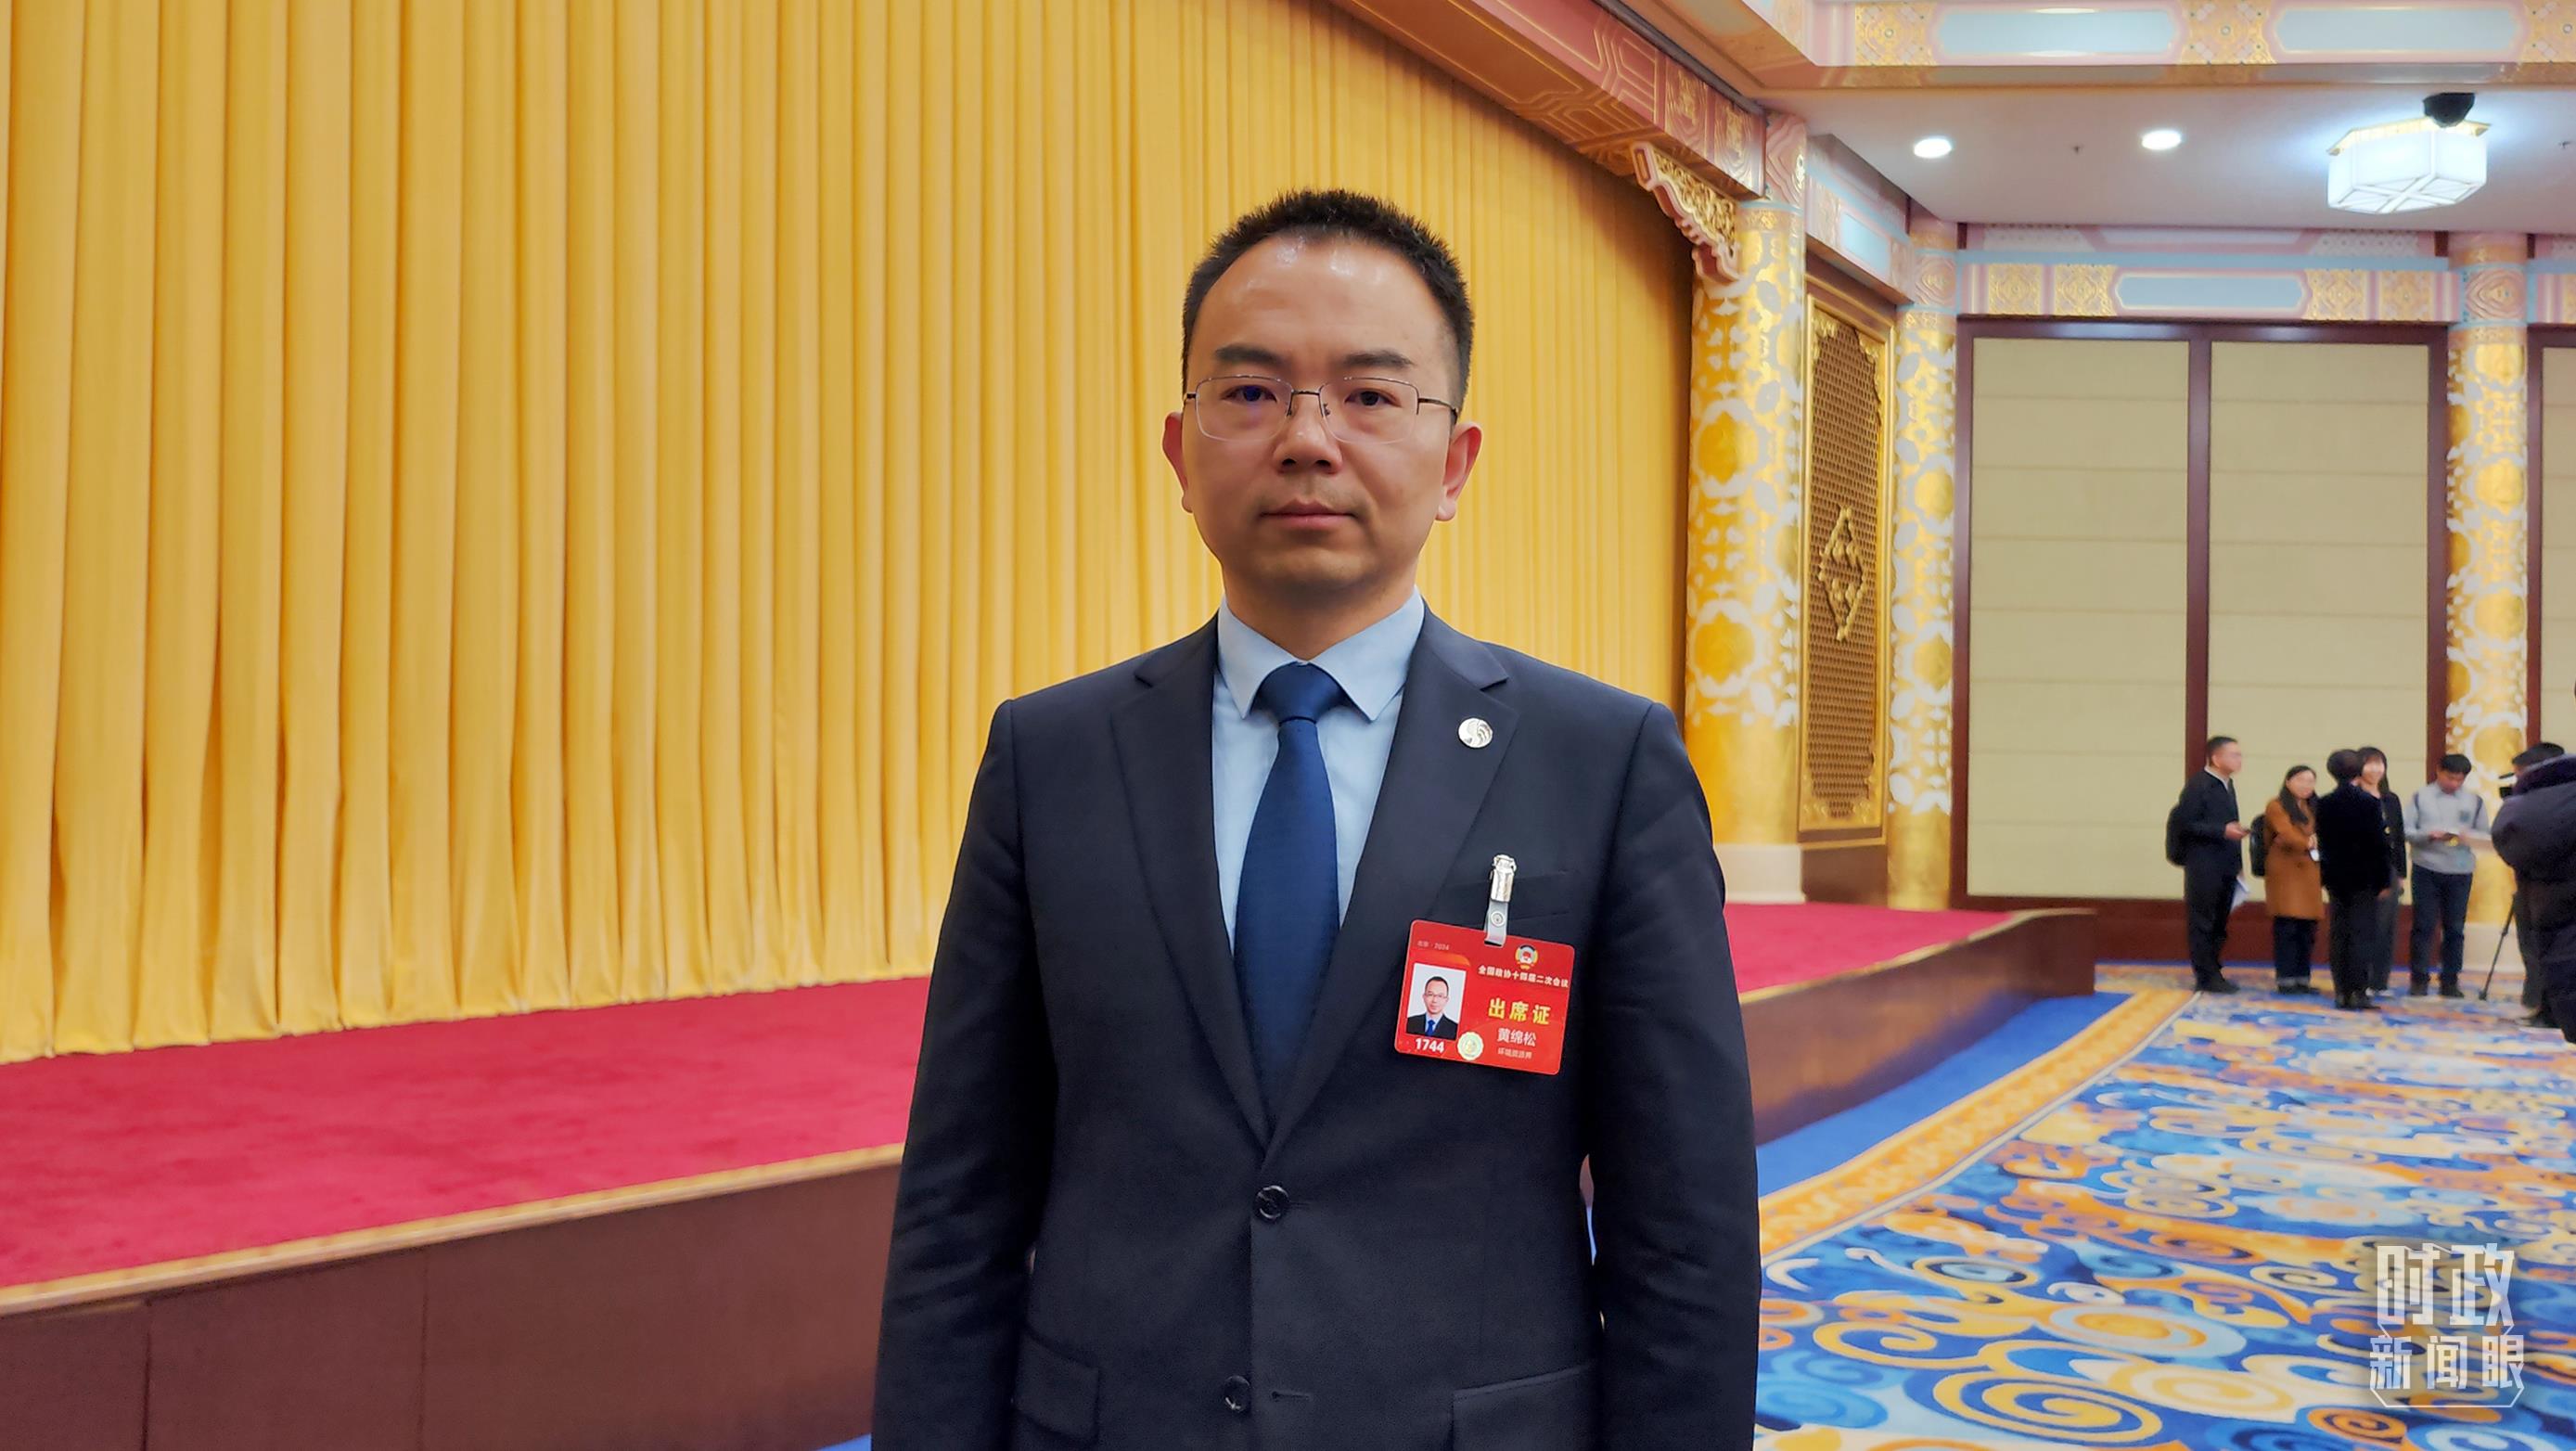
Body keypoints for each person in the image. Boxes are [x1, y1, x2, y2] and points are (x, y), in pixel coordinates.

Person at [874, 191, 1759, 1449]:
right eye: (1249, 393)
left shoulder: (1601, 765)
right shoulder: (1052, 756)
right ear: (1178, 453)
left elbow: (1686, 1233)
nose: (1305, 438)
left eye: (1369, 394)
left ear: (1454, 463)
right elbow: (958, 1204)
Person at [2496, 718, 2574, 1042]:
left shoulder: (2538, 803)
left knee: (2550, 956)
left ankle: (2549, 1011)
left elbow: (2510, 839)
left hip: (2550, 900)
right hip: (2549, 897)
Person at [2403, 752, 2491, 998]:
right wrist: (2428, 835)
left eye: (2459, 779)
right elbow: (2406, 830)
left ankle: (2450, 981)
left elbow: (2485, 835)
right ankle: (2419, 979)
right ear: (2439, 771)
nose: (2454, 783)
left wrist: (2467, 837)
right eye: (2450, 777)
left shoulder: (2475, 801)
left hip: (2461, 869)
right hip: (2426, 866)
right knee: (2423, 925)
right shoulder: (2421, 796)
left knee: (2455, 928)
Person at [2171, 737, 2249, 994]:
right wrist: (2221, 831)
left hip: (2225, 863)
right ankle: (2205, 976)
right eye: (2234, 754)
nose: (2239, 759)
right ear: (2216, 758)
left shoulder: (2228, 785)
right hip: (2204, 864)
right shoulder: (2199, 785)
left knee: (2219, 922)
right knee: (2203, 921)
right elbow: (2186, 824)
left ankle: (2214, 970)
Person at [2315, 750, 2391, 1011]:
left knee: (2339, 933)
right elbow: (2378, 845)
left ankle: (2341, 992)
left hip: (2336, 877)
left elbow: (2324, 843)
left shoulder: (2324, 803)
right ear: (2359, 770)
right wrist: (2384, 880)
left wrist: (2325, 875)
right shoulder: (2368, 803)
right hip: (2364, 878)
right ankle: (2358, 991)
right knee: (2361, 934)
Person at [2508, 741, 2564, 1028]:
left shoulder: (2553, 803)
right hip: (2532, 884)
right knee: (2533, 948)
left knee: (2551, 951)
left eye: (2522, 775)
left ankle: (2550, 1011)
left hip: (2553, 888)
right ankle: (2540, 1005)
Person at [2262, 765, 2323, 995]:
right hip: (2285, 872)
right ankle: (2286, 979)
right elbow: (2286, 834)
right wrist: (2308, 842)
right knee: (2287, 926)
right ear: (2288, 782)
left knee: (2307, 929)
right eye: (2300, 780)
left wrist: (2312, 841)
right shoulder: (2276, 805)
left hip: (2310, 872)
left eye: (2310, 781)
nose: (2306, 785)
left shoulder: (2313, 806)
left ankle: (2302, 978)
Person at [2356, 747, 2407, 995]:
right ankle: (2360, 979)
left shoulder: (2390, 799)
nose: (2375, 769)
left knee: (2386, 927)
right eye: (2369, 764)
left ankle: (2380, 981)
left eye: (2380, 764)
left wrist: (2401, 873)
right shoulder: (2353, 796)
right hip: (2361, 869)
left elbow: (2399, 837)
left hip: (2388, 869)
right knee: (2363, 925)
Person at [1405, 974, 1460, 1039]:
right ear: (1424, 997)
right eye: (1430, 994)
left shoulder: (1455, 1030)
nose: (1434, 1000)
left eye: (1440, 996)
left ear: (1446, 1000)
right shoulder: (1409, 1023)